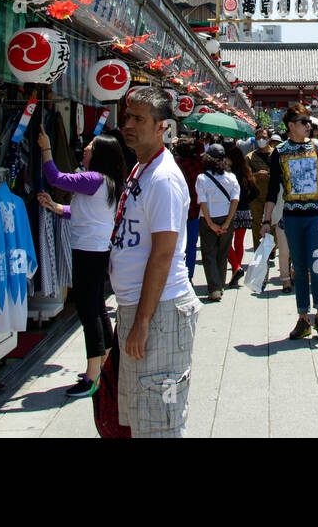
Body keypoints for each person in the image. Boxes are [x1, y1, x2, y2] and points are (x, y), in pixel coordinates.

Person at [113, 87, 199, 437]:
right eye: (126, 117)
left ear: (162, 126)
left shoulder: (162, 178)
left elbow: (164, 253)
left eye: (138, 119)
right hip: (140, 308)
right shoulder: (140, 169)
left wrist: (143, 321)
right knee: (141, 417)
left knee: (160, 420)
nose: (128, 125)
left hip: (160, 313)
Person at [37, 130, 127, 398]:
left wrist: (46, 148)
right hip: (97, 250)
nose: (84, 151)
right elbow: (85, 213)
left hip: (87, 251)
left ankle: (93, 375)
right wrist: (57, 208)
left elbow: (56, 178)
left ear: (98, 155)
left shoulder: (92, 179)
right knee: (97, 308)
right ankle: (108, 363)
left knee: (88, 312)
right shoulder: (107, 182)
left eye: (89, 148)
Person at [261, 102, 318, 342]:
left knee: (317, 267)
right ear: (291, 126)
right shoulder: (280, 153)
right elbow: (273, 190)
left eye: (309, 121)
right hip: (292, 218)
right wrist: (266, 220)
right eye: (304, 122)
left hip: (316, 216)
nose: (309, 125)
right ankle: (303, 317)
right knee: (300, 270)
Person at [196, 143, 240, 302]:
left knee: (209, 254)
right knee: (223, 253)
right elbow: (235, 200)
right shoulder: (231, 177)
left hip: (208, 219)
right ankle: (220, 284)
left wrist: (210, 223)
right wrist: (227, 222)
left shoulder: (202, 178)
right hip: (226, 218)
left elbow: (202, 202)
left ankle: (214, 288)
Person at [224, 145, 259, 285]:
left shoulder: (227, 174)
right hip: (244, 211)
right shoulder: (246, 172)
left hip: (230, 211)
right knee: (239, 242)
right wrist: (245, 202)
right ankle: (236, 269)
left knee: (225, 242)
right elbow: (255, 192)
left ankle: (236, 267)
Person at [172, 137, 205, 282]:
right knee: (191, 246)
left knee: (175, 246)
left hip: (176, 212)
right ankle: (189, 276)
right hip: (194, 211)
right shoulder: (198, 165)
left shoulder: (174, 165)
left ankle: (175, 275)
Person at [247, 129, 273, 249]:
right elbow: (245, 176)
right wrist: (256, 175)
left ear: (269, 139)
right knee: (256, 223)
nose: (261, 140)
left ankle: (271, 247)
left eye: (263, 137)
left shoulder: (276, 154)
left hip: (272, 195)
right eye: (258, 138)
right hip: (256, 196)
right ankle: (258, 249)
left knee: (273, 223)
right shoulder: (250, 157)